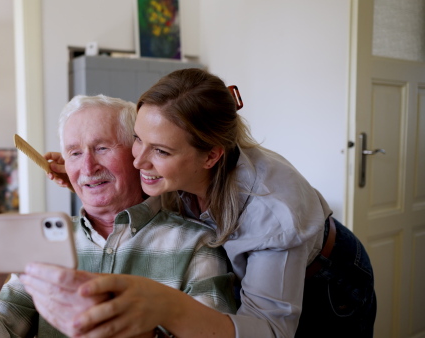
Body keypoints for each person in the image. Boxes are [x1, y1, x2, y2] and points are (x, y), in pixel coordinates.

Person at [36, 68, 377, 337]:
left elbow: (271, 331)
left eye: (161, 151)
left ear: (210, 156)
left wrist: (166, 307)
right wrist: (91, 177)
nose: (139, 161)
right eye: (138, 139)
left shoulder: (273, 213)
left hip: (329, 280)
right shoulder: (175, 162)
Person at [0, 94, 237, 337]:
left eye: (102, 148)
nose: (88, 167)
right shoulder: (43, 243)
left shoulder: (197, 244)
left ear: (137, 155)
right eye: (74, 153)